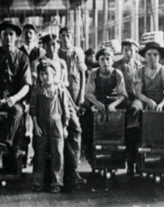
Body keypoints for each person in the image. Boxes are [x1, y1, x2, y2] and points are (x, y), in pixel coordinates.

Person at [127, 42, 164, 175]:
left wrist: (162, 104)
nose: (152, 57)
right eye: (149, 55)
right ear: (145, 56)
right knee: (133, 110)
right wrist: (148, 101)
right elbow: (138, 93)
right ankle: (131, 161)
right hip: (144, 99)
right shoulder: (140, 71)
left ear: (160, 56)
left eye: (155, 55)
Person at [0, 20, 32, 169]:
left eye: (11, 34)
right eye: (5, 34)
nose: (8, 38)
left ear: (16, 37)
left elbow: (26, 85)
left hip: (14, 99)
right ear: (0, 36)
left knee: (17, 111)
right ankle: (12, 142)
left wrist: (14, 98)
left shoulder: (23, 58)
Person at [30, 61, 70, 194]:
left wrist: (65, 126)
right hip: (41, 125)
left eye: (47, 74)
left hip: (57, 125)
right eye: (41, 74)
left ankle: (57, 182)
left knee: (57, 154)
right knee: (39, 154)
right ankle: (37, 182)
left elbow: (65, 109)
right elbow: (33, 109)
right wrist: (35, 126)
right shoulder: (36, 90)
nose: (44, 77)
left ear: (54, 74)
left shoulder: (60, 90)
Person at [83, 47, 129, 163]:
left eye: (108, 59)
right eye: (102, 59)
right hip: (97, 99)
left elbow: (123, 94)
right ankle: (89, 151)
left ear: (112, 61)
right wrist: (97, 104)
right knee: (85, 117)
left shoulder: (117, 73)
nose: (105, 62)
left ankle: (124, 150)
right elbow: (88, 93)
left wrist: (113, 105)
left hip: (113, 100)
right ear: (98, 62)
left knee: (127, 112)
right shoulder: (93, 73)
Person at [57, 27, 87, 188]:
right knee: (61, 129)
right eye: (63, 36)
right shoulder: (56, 52)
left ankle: (73, 170)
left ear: (72, 36)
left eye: (68, 35)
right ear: (59, 38)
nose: (66, 38)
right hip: (59, 96)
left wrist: (81, 95)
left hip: (74, 93)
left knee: (73, 131)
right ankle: (60, 172)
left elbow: (83, 74)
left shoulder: (78, 52)